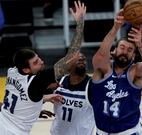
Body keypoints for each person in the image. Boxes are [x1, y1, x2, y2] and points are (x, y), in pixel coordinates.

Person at [0, 0, 87, 134]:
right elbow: (71, 57)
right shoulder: (36, 83)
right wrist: (80, 24)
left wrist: (41, 101)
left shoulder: (12, 71)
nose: (41, 62)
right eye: (35, 62)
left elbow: (22, 97)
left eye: (38, 57)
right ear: (26, 70)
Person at [89, 9, 142, 134]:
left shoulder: (134, 72)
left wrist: (140, 45)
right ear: (113, 51)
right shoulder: (104, 70)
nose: (125, 51)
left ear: (134, 56)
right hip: (102, 131)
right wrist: (115, 28)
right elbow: (100, 56)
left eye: (130, 50)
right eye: (122, 47)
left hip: (129, 132)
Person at [49, 2, 95, 135]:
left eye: (84, 59)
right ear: (68, 64)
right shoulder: (59, 81)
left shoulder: (91, 85)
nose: (81, 60)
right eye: (77, 59)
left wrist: (80, 24)